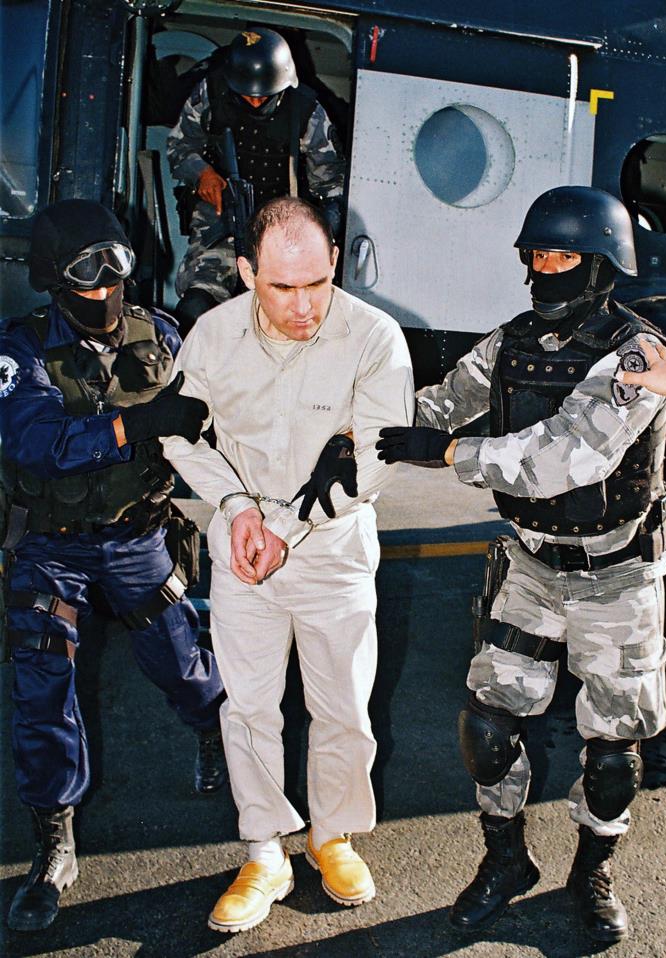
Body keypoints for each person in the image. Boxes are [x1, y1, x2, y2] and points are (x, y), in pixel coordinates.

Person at [376, 186, 666, 944]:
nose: (544, 270)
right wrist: (350, 436)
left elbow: (563, 457)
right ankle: (506, 861)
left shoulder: (638, 356)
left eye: (562, 256)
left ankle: (593, 871)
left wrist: (450, 453)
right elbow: (439, 403)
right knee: (488, 727)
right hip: (533, 566)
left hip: (617, 575)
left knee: (612, 753)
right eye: (535, 255)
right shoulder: (511, 341)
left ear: (602, 265)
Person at [162, 195, 414, 934]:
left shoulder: (374, 337)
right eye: (281, 287)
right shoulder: (212, 336)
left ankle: (332, 836)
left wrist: (284, 525)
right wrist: (238, 509)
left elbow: (378, 452)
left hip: (332, 552)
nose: (304, 306)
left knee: (344, 708)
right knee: (248, 709)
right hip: (244, 554)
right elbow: (181, 434)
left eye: (317, 283)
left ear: (335, 262)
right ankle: (265, 850)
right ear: (247, 272)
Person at [1, 199, 228, 933]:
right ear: (52, 278)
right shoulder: (21, 350)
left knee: (180, 661)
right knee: (43, 686)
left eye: (117, 267)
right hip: (52, 544)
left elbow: (211, 417)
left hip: (136, 535)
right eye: (86, 273)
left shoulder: (160, 335)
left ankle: (215, 733)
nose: (105, 287)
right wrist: (135, 424)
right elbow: (37, 443)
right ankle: (53, 841)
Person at [167, 27, 346, 335]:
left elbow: (331, 188)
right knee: (197, 307)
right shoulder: (210, 92)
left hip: (282, 227)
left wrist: (313, 240)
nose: (253, 103)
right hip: (221, 217)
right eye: (245, 95)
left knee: (278, 318)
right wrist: (201, 173)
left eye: (263, 97)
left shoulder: (308, 113)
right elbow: (179, 146)